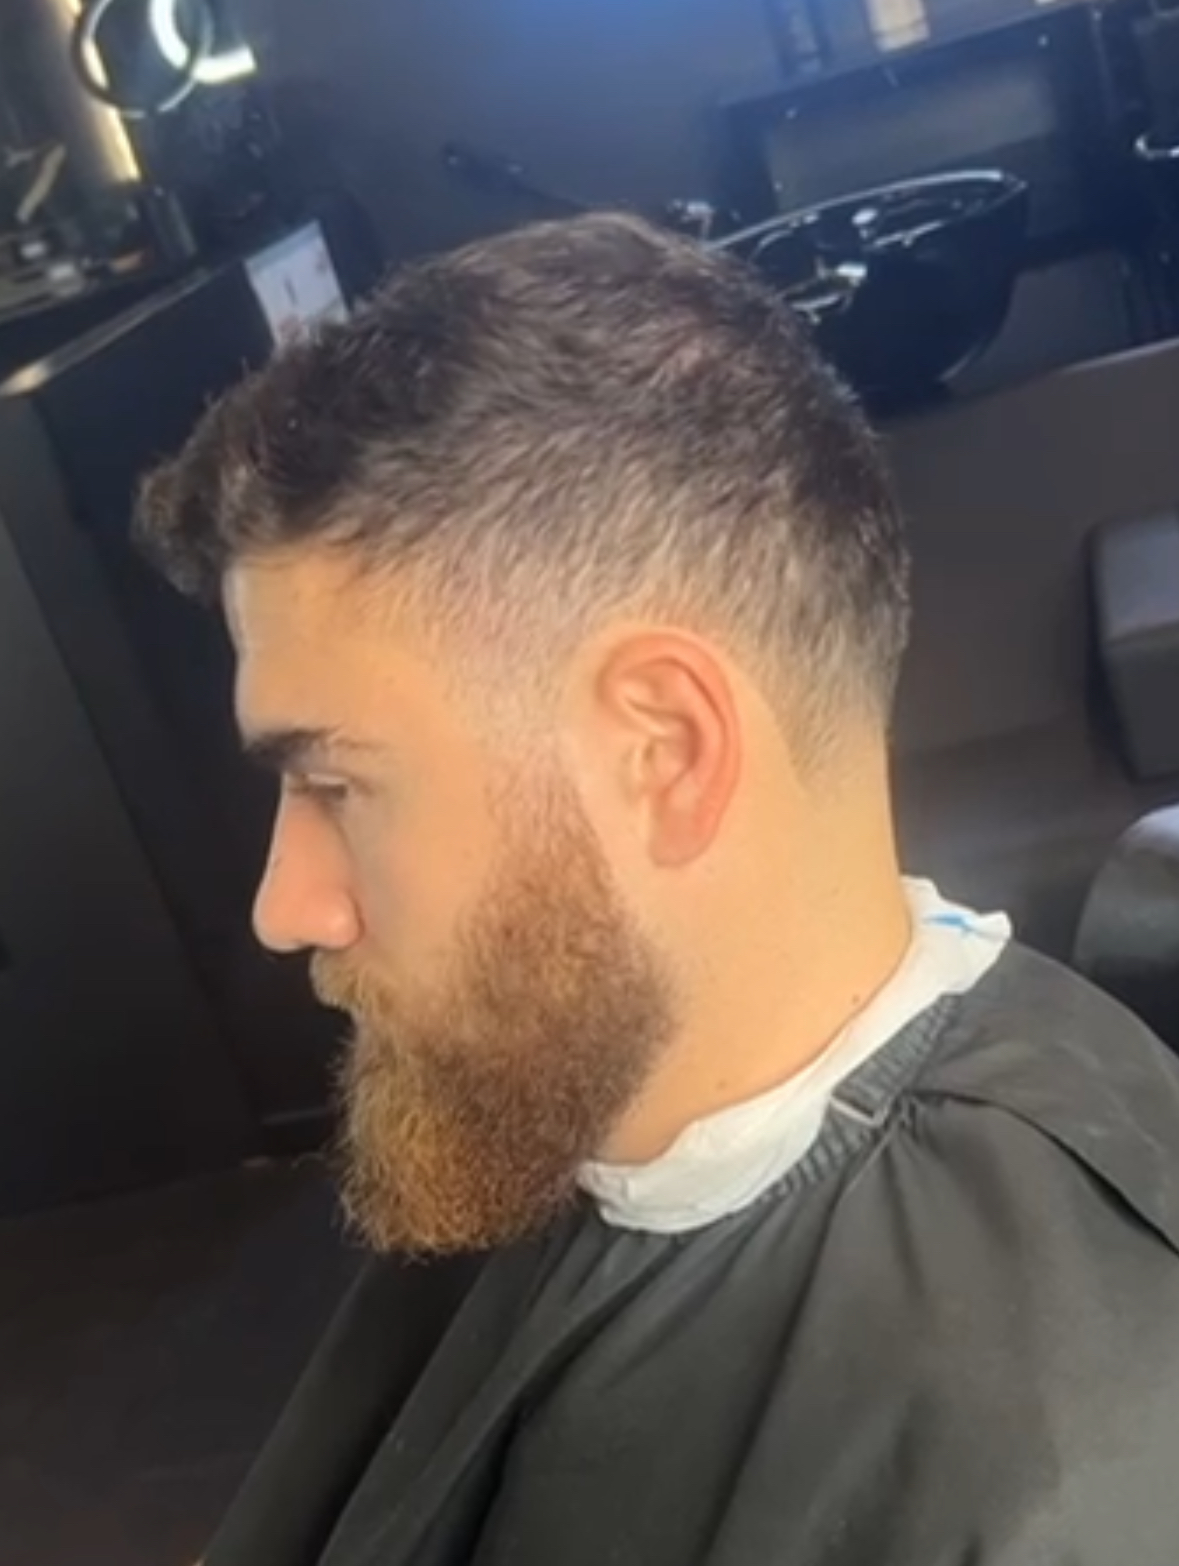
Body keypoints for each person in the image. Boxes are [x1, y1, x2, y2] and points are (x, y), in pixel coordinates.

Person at [138, 213, 1179, 1566]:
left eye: (333, 784)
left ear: (663, 753)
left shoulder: (1061, 1476)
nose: (286, 907)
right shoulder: (564, 1085)